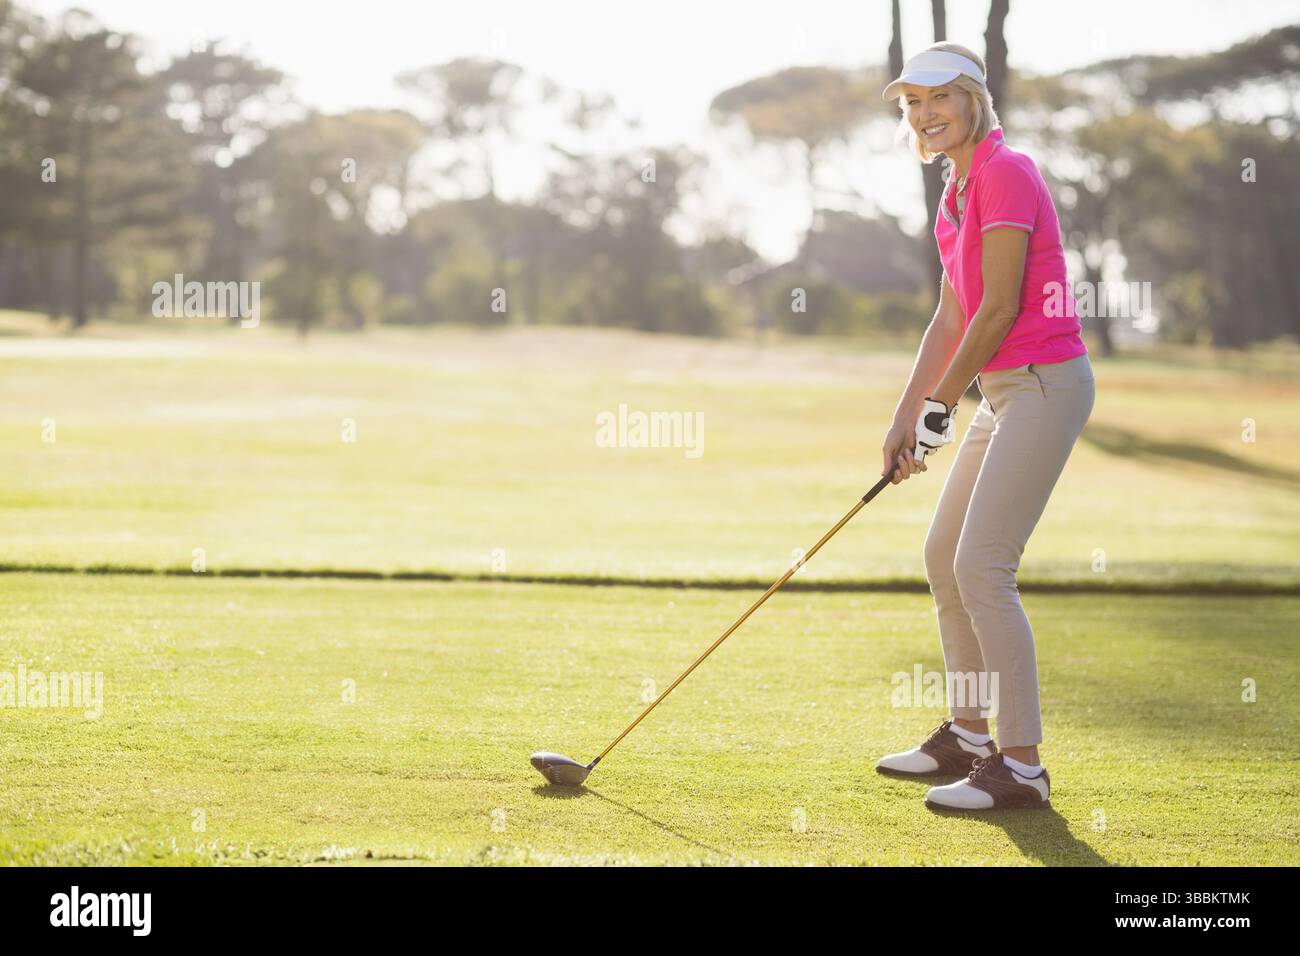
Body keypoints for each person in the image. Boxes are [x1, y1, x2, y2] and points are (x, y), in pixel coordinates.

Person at [873, 43, 1096, 810]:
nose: (926, 115)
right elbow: (952, 315)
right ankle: (968, 734)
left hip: (1042, 384)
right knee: (944, 554)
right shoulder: (956, 192)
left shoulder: (1005, 172)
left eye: (939, 99)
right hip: (1003, 392)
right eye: (913, 104)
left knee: (983, 567)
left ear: (973, 99)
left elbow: (1000, 308)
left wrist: (941, 408)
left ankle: (1022, 764)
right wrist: (907, 417)